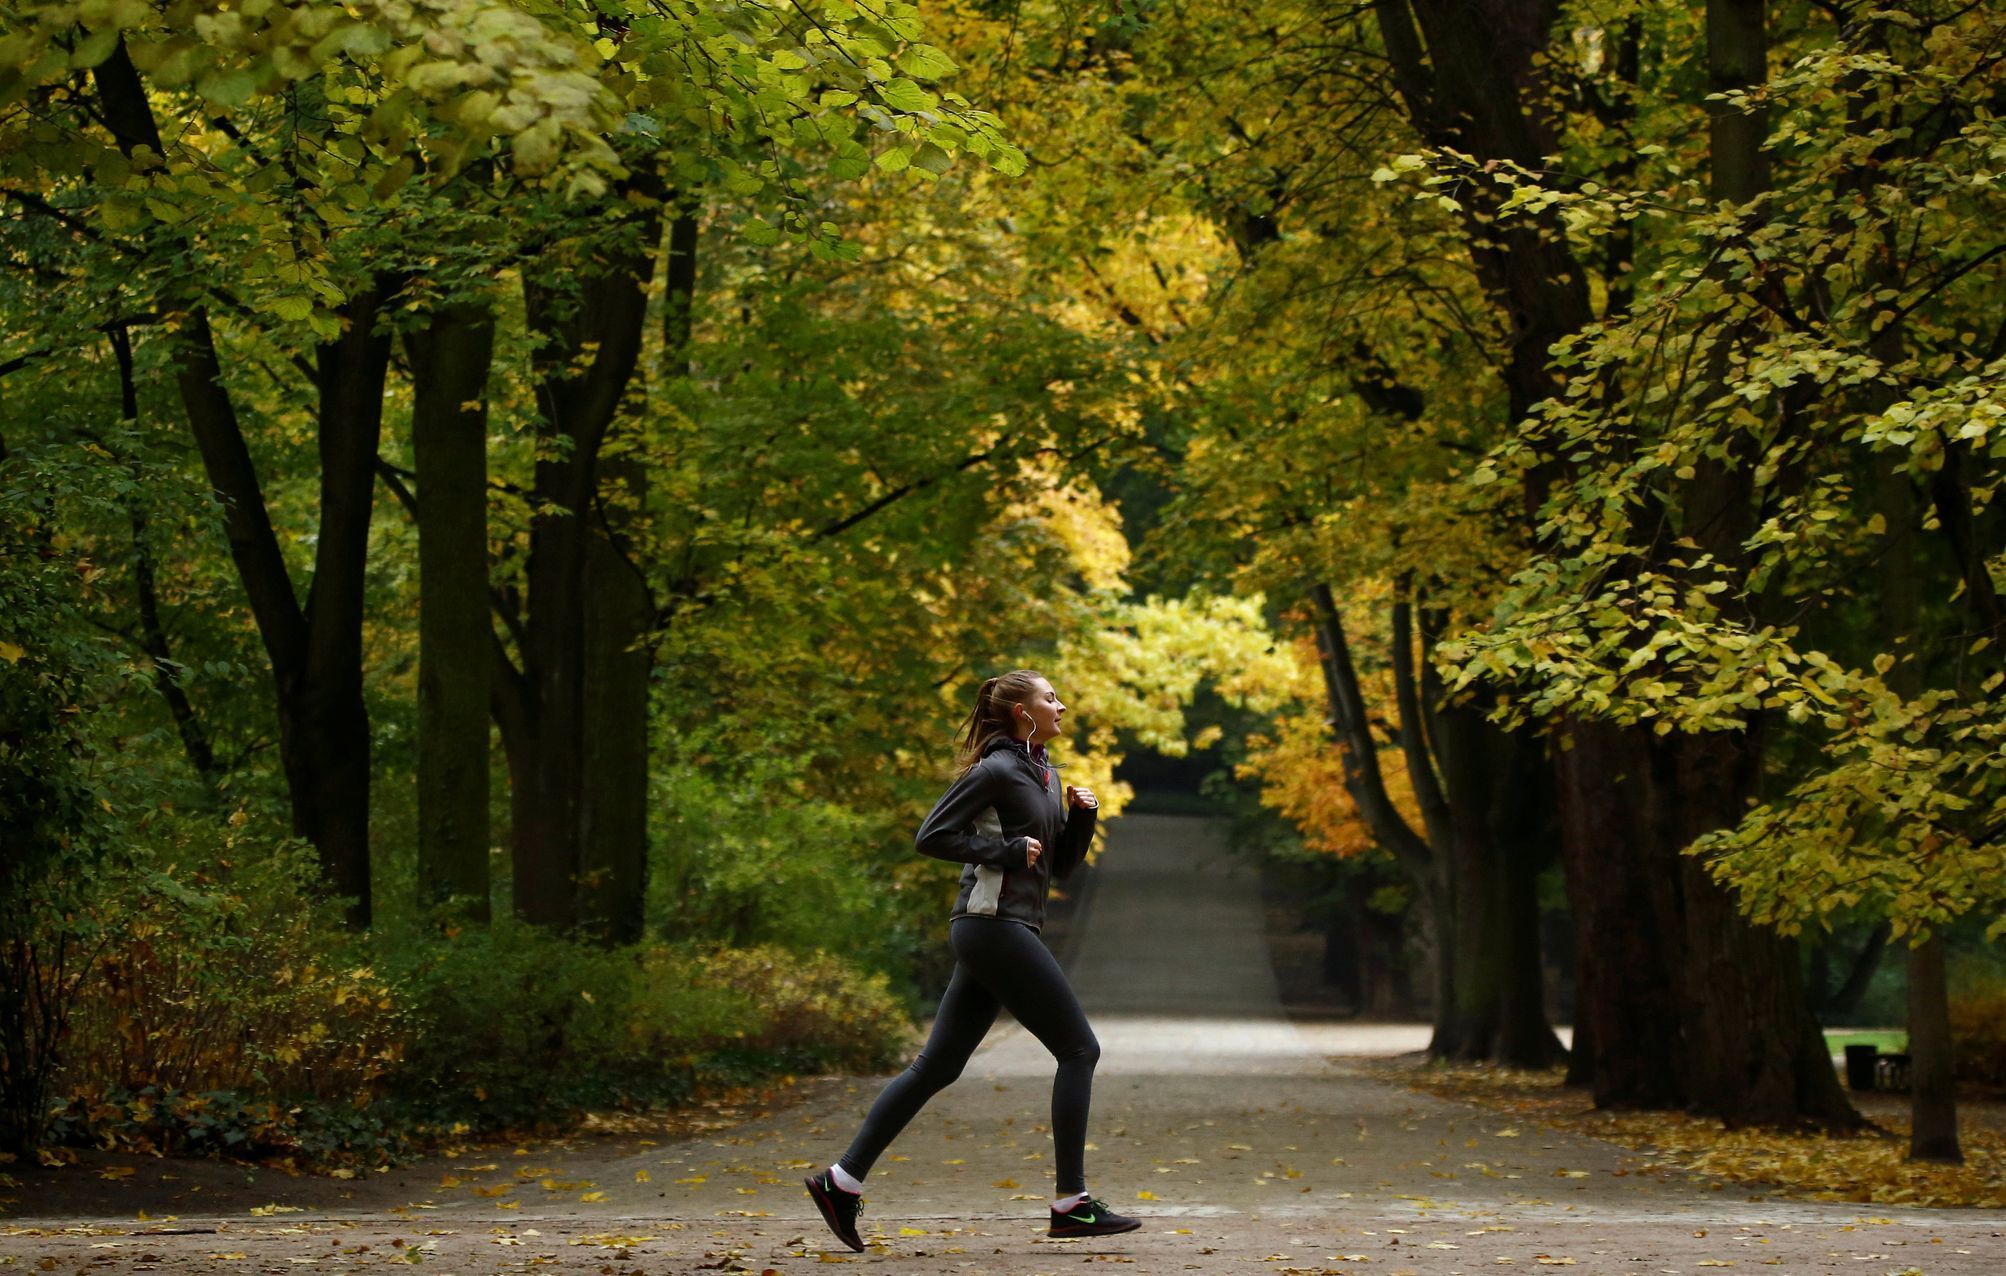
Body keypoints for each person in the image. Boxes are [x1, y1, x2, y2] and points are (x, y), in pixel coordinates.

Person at [803, 670, 1141, 1251]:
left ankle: (841, 1181)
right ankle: (1072, 1203)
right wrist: (1001, 850)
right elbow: (931, 835)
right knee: (1080, 1048)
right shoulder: (996, 769)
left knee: (937, 1067)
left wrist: (1080, 817)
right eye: (1049, 697)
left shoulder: (1042, 772)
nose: (1062, 704)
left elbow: (1055, 869)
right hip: (992, 926)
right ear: (1020, 711)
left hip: (1004, 929)